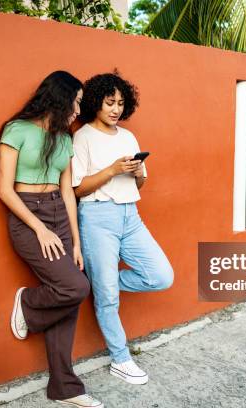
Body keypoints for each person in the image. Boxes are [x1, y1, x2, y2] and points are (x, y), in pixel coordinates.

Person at [0, 70, 103, 408]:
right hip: (28, 215)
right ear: (59, 99)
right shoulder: (16, 131)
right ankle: (27, 304)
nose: (78, 110)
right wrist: (39, 228)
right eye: (76, 103)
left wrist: (74, 241)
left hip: (58, 213)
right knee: (76, 288)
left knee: (70, 292)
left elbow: (67, 192)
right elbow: (4, 190)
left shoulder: (64, 139)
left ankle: (64, 388)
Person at [71, 71, 174, 385]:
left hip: (131, 216)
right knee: (108, 300)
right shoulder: (83, 136)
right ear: (95, 103)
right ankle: (120, 359)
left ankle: (104, 287)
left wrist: (137, 171)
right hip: (98, 218)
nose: (115, 109)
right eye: (109, 102)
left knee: (161, 275)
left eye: (120, 103)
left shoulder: (128, 137)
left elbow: (140, 183)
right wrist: (113, 169)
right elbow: (76, 189)